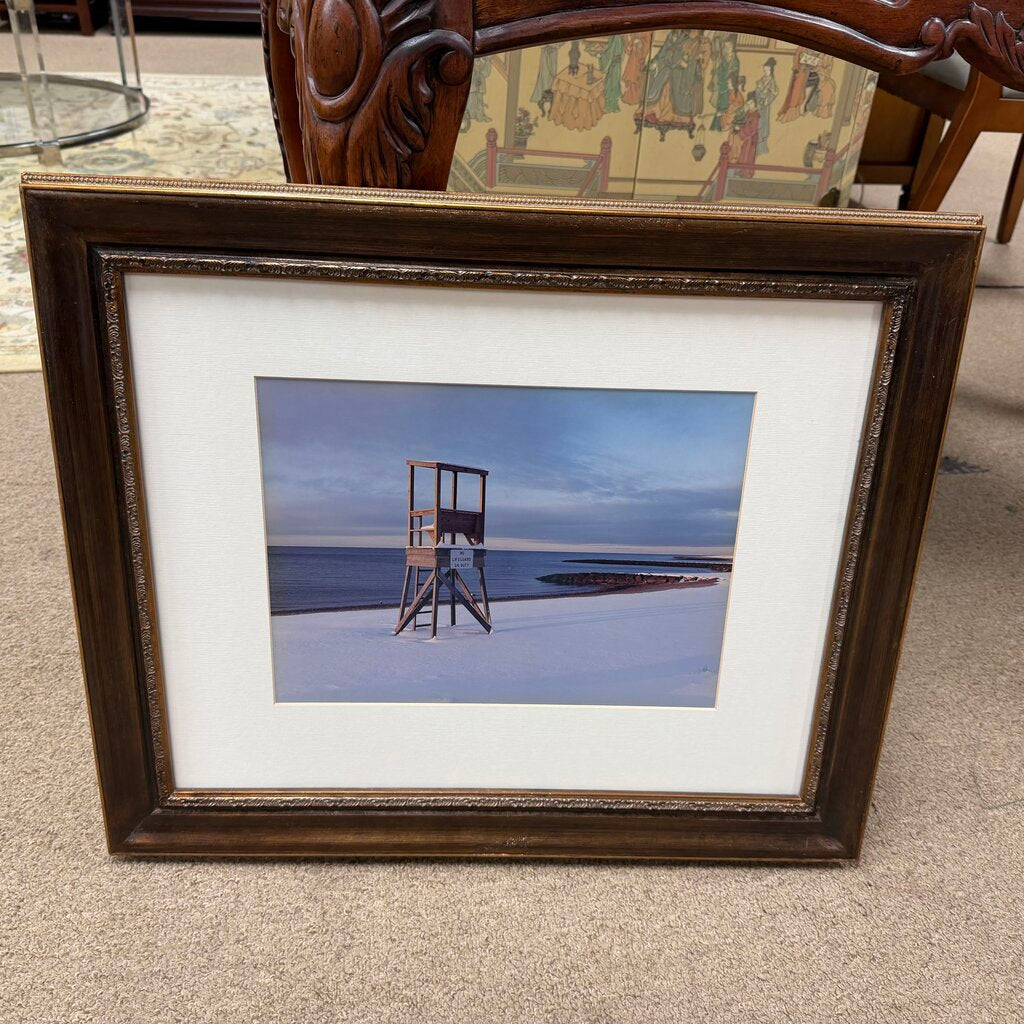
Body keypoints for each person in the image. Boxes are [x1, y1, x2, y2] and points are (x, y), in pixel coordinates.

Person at [709, 35, 739, 131]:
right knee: (720, 105)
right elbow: (719, 70)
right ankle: (716, 126)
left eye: (728, 46)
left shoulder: (735, 60)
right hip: (722, 85)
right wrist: (717, 72)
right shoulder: (724, 58)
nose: (727, 49)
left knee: (726, 107)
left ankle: (722, 126)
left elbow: (735, 74)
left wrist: (729, 77)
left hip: (729, 86)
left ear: (732, 47)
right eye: (725, 47)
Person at [754, 57, 778, 154]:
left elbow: (773, 94)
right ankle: (755, 147)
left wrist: (766, 100)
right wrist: (759, 93)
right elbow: (757, 90)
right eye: (765, 70)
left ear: (771, 70)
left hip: (765, 106)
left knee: (763, 126)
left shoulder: (772, 81)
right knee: (757, 124)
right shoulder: (762, 79)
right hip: (759, 104)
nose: (766, 72)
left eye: (768, 70)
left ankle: (762, 147)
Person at [530, 43, 561, 112]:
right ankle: (545, 89)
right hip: (545, 51)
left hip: (553, 51)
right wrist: (546, 46)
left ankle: (550, 89)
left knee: (552, 72)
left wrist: (553, 46)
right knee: (544, 72)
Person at [598, 35, 625, 113]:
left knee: (611, 84)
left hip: (613, 65)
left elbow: (610, 52)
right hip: (617, 65)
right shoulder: (620, 36)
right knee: (615, 83)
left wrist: (601, 56)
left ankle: (610, 106)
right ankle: (614, 105)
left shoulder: (616, 37)